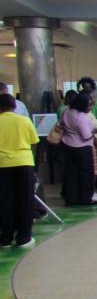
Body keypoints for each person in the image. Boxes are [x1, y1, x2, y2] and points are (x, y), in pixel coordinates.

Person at [0, 94, 39, 248]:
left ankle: (6, 238)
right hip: (24, 162)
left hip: (2, 164)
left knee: (4, 201)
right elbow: (34, 141)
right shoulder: (24, 120)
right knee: (25, 200)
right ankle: (24, 238)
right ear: (15, 106)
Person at [60, 94, 97, 206]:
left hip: (68, 145)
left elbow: (62, 123)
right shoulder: (81, 117)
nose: (90, 107)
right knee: (85, 174)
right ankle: (85, 198)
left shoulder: (67, 111)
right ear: (82, 106)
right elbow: (86, 136)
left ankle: (70, 198)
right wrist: (94, 131)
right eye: (88, 105)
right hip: (82, 148)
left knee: (71, 173)